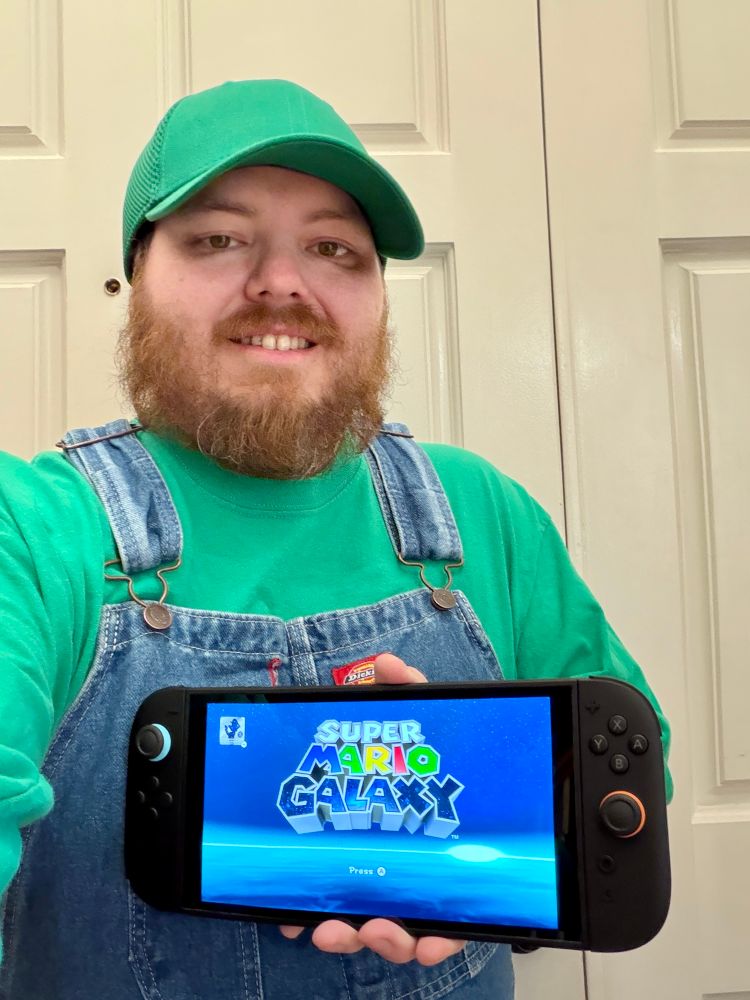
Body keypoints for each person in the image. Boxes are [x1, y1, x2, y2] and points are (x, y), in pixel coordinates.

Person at [0, 79, 671, 1000]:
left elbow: (627, 776)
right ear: (134, 280)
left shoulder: (480, 509)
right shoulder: (33, 528)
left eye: (333, 248)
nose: (282, 282)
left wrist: (469, 792)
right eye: (218, 239)